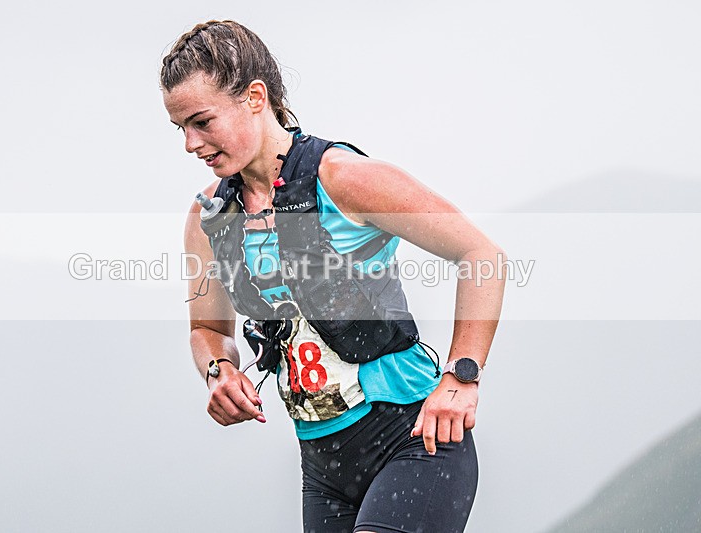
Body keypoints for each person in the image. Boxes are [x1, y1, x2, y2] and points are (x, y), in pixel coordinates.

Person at [160, 20, 505, 533]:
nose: (190, 143)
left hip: (414, 441)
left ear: (255, 97)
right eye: (179, 128)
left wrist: (462, 376)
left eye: (202, 121)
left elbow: (481, 256)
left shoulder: (343, 178)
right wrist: (218, 371)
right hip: (323, 471)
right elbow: (208, 331)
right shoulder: (209, 217)